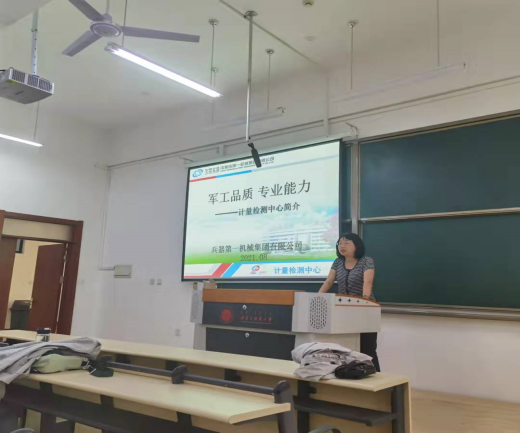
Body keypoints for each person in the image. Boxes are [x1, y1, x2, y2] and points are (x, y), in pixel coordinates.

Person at [318, 233, 380, 371]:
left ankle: (376, 376)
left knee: (367, 349)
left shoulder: (366, 261)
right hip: (344, 310)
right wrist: (317, 298)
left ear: (356, 245)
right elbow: (329, 282)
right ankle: (352, 374)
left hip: (366, 310)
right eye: (340, 243)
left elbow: (368, 282)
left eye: (346, 243)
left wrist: (364, 302)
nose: (342, 246)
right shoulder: (337, 262)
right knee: (347, 347)